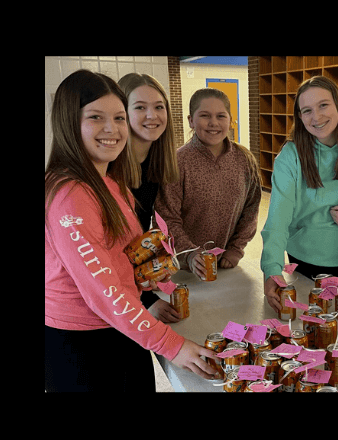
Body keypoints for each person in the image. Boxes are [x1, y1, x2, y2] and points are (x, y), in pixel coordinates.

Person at [45, 70, 220, 391]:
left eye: (119, 117)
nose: (112, 129)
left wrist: (145, 274)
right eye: (96, 117)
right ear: (69, 122)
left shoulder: (109, 181)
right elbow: (102, 292)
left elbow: (123, 253)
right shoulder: (70, 195)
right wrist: (173, 345)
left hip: (123, 325)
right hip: (83, 344)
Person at [261, 76, 338, 313]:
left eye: (323, 105)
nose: (316, 117)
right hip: (303, 257)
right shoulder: (291, 155)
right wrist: (272, 269)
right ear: (300, 117)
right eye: (307, 110)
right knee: (306, 326)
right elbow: (278, 218)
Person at [156, 88, 261, 281]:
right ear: (190, 120)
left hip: (226, 264)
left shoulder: (244, 159)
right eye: (205, 115)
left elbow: (252, 208)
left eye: (221, 116)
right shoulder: (177, 162)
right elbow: (166, 217)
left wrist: (236, 248)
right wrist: (189, 254)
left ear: (230, 119)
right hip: (183, 267)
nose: (213, 123)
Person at [117, 73, 182, 323]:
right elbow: (109, 251)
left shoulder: (155, 163)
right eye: (140, 107)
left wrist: (149, 273)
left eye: (158, 107)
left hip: (130, 284)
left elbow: (138, 235)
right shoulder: (110, 168)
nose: (152, 115)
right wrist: (145, 300)